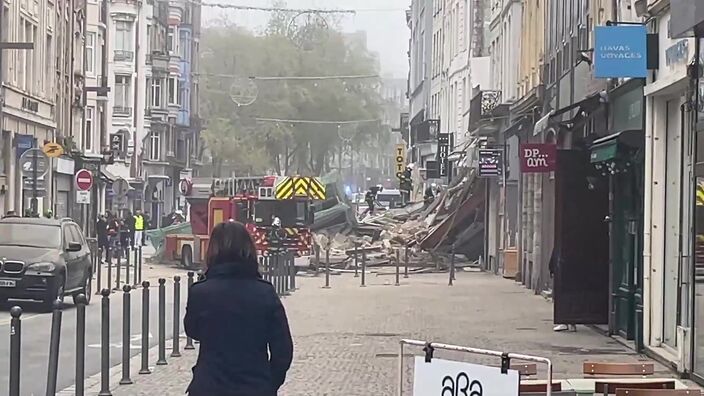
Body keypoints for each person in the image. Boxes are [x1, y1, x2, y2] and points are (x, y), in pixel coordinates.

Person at [185, 221, 293, 396]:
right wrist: (269, 383)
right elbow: (283, 349)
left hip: (209, 386)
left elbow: (192, 330)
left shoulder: (200, 291)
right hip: (254, 385)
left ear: (212, 250)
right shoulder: (264, 292)